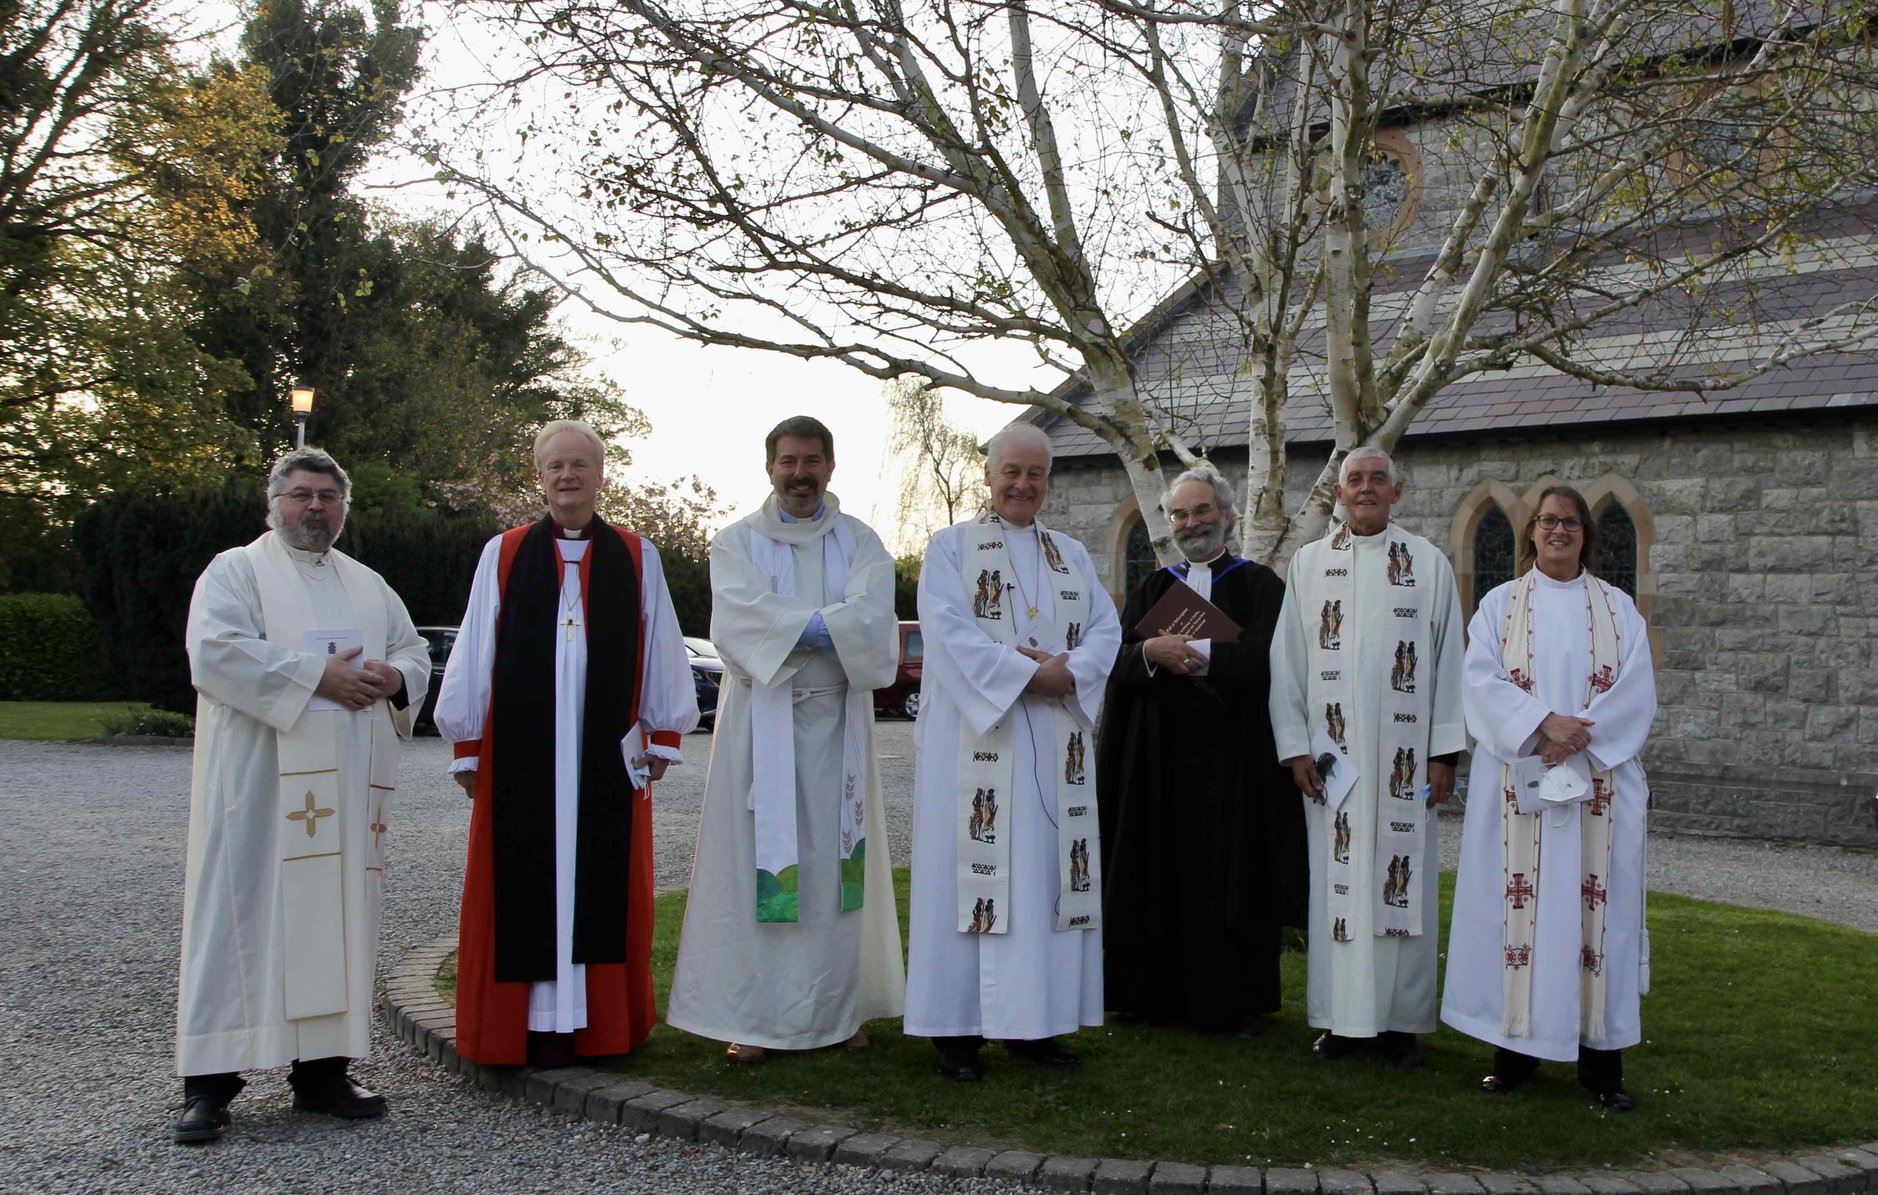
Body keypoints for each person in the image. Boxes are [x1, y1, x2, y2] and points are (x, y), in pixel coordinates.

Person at [175, 448, 431, 1144]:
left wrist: (391, 676)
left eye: (327, 496)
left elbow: (414, 652)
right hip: (258, 791)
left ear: (344, 507)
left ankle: (321, 1074)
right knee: (239, 921)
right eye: (300, 495)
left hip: (339, 798)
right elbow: (216, 653)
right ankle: (210, 1084)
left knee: (334, 920)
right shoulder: (235, 571)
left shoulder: (368, 584)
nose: (314, 507)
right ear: (273, 503)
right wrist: (317, 676)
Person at [435, 420, 697, 1067]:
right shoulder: (503, 553)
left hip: (605, 759)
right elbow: (475, 646)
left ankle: (598, 1028)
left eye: (580, 464)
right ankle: (522, 1029)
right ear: (539, 476)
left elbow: (662, 643)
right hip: (522, 758)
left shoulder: (638, 556)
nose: (568, 476)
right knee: (521, 884)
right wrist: (467, 743)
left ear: (602, 474)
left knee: (602, 886)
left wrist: (662, 734)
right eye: (555, 465)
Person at [667, 416, 904, 1062]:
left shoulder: (861, 542)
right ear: (769, 467)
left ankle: (840, 1010)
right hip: (759, 730)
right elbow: (740, 622)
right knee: (760, 870)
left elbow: (873, 620)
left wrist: (794, 628)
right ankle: (759, 1019)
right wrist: (828, 627)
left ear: (832, 466)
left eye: (811, 461)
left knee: (834, 870)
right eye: (788, 462)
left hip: (837, 729)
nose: (800, 474)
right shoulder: (736, 542)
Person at [904, 423, 1121, 1081]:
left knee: (1043, 883)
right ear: (990, 475)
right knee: (968, 878)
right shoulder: (950, 548)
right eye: (1012, 472)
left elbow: (1108, 628)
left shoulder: (1071, 554)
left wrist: (1073, 670)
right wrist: (1032, 674)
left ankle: (1035, 1026)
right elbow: (947, 635)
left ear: (1047, 480)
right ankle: (958, 1033)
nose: (1023, 484)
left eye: (1036, 474)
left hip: (1056, 752)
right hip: (977, 743)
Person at [1442, 485, 1656, 1111]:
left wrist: (1572, 734)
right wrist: (1543, 725)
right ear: (1531, 532)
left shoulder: (1619, 611)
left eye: (1569, 522)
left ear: (1586, 533)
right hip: (1522, 789)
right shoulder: (1499, 607)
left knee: (1598, 922)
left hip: (1600, 790)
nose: (1557, 531)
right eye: (1546, 522)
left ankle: (1602, 1068)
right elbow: (1479, 681)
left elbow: (1636, 690)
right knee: (1520, 917)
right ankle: (1514, 1055)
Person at [1268, 447, 1465, 1068]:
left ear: (1396, 490)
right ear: (1340, 495)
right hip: (1334, 765)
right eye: (1355, 479)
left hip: (1405, 766)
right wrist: (1295, 746)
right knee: (1338, 888)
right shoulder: (1309, 564)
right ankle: (1338, 1021)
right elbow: (1288, 660)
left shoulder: (1428, 564)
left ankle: (1400, 1025)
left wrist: (1443, 754)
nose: (1366, 488)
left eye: (1378, 479)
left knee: (1399, 889)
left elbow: (1449, 662)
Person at [1096, 464, 1303, 1034]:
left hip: (1233, 765)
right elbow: (1115, 662)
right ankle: (1147, 997)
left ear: (1228, 515)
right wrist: (1151, 652)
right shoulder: (1155, 587)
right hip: (1158, 766)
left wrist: (1205, 654)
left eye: (1202, 511)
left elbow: (1275, 659)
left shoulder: (1261, 585)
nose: (1192, 523)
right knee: (1153, 871)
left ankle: (1230, 1003)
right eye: (1181, 515)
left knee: (1230, 878)